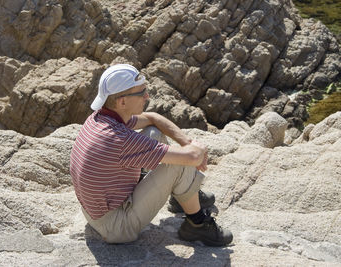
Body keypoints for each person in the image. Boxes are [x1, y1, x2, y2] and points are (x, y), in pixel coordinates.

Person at [70, 64, 233, 246]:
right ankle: (196, 224)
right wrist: (196, 149)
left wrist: (186, 143)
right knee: (178, 163)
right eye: (141, 93)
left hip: (97, 210)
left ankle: (184, 193)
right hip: (117, 226)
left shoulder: (100, 118)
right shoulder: (120, 139)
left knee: (154, 133)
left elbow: (153, 118)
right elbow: (192, 157)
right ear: (122, 101)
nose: (147, 96)